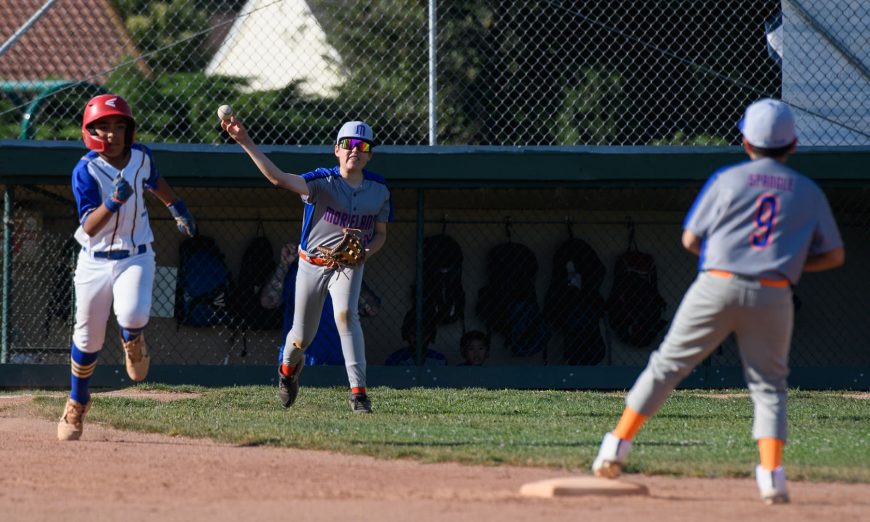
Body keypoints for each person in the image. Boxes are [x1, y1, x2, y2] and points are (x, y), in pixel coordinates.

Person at [591, 99, 845, 504]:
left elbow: (691, 239)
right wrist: (788, 265)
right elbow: (834, 255)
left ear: (745, 141)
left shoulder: (727, 179)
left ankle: (615, 447)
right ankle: (772, 477)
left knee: (667, 366)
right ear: (793, 145)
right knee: (769, 386)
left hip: (718, 282)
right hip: (774, 292)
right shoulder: (808, 191)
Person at [222, 115, 392, 413]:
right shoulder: (321, 181)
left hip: (348, 263)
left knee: (345, 315)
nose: (355, 149)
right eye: (348, 144)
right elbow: (278, 178)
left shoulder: (379, 190)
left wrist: (365, 253)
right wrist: (244, 141)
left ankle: (359, 394)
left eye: (362, 145)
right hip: (311, 263)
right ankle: (287, 372)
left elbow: (380, 235)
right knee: (301, 337)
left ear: (370, 154)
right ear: (336, 149)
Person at [58, 94, 197, 441]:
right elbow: (89, 226)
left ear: (129, 131)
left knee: (133, 314)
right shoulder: (85, 170)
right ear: (90, 132)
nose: (112, 135)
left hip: (136, 254)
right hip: (94, 259)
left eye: (119, 127)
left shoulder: (140, 156)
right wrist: (111, 202)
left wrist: (177, 206)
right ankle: (77, 404)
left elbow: (154, 181)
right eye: (103, 128)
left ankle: (133, 340)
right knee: (88, 337)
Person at [260, 241, 381, 367]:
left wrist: (348, 268)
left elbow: (372, 309)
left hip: (336, 361)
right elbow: (268, 302)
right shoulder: (296, 271)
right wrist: (284, 265)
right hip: (298, 361)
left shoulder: (343, 273)